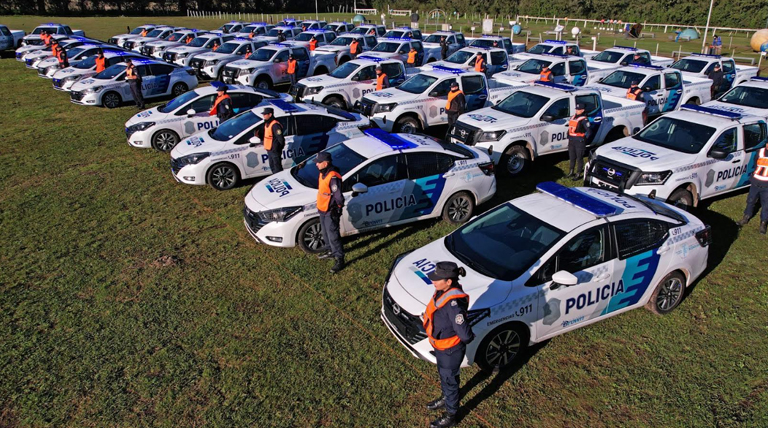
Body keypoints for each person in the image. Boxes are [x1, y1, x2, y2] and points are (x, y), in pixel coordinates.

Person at [423, 262, 474, 428]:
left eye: (438, 279)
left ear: (449, 282)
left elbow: (465, 334)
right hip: (442, 348)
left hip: (450, 350)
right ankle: (447, 397)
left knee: (449, 379)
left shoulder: (453, 305)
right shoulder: (442, 290)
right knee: (447, 376)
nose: (434, 282)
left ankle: (451, 415)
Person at [315, 151, 345, 273]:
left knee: (333, 235)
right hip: (322, 208)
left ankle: (339, 258)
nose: (316, 165)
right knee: (325, 233)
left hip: (330, 210)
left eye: (318, 163)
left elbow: (338, 196)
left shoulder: (332, 176)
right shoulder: (322, 173)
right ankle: (330, 250)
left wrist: (337, 209)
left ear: (325, 163)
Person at [736, 146, 768, 234]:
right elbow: (755, 163)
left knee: (766, 205)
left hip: (767, 185)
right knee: (750, 200)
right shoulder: (760, 152)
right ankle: (746, 217)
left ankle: (763, 223)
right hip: (756, 182)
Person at [258, 107, 285, 174]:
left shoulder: (275, 125)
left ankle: (279, 177)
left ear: (270, 114)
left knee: (277, 167)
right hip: (269, 149)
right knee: (272, 166)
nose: (263, 116)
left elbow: (280, 138)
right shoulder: (267, 123)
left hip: (274, 149)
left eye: (265, 114)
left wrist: (278, 148)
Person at [567, 103, 590, 179]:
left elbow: (589, 131)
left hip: (579, 142)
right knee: (572, 157)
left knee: (579, 158)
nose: (577, 110)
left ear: (582, 110)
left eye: (578, 109)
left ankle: (578, 173)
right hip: (571, 141)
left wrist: (583, 139)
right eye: (576, 109)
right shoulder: (573, 117)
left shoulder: (584, 119)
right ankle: (571, 171)